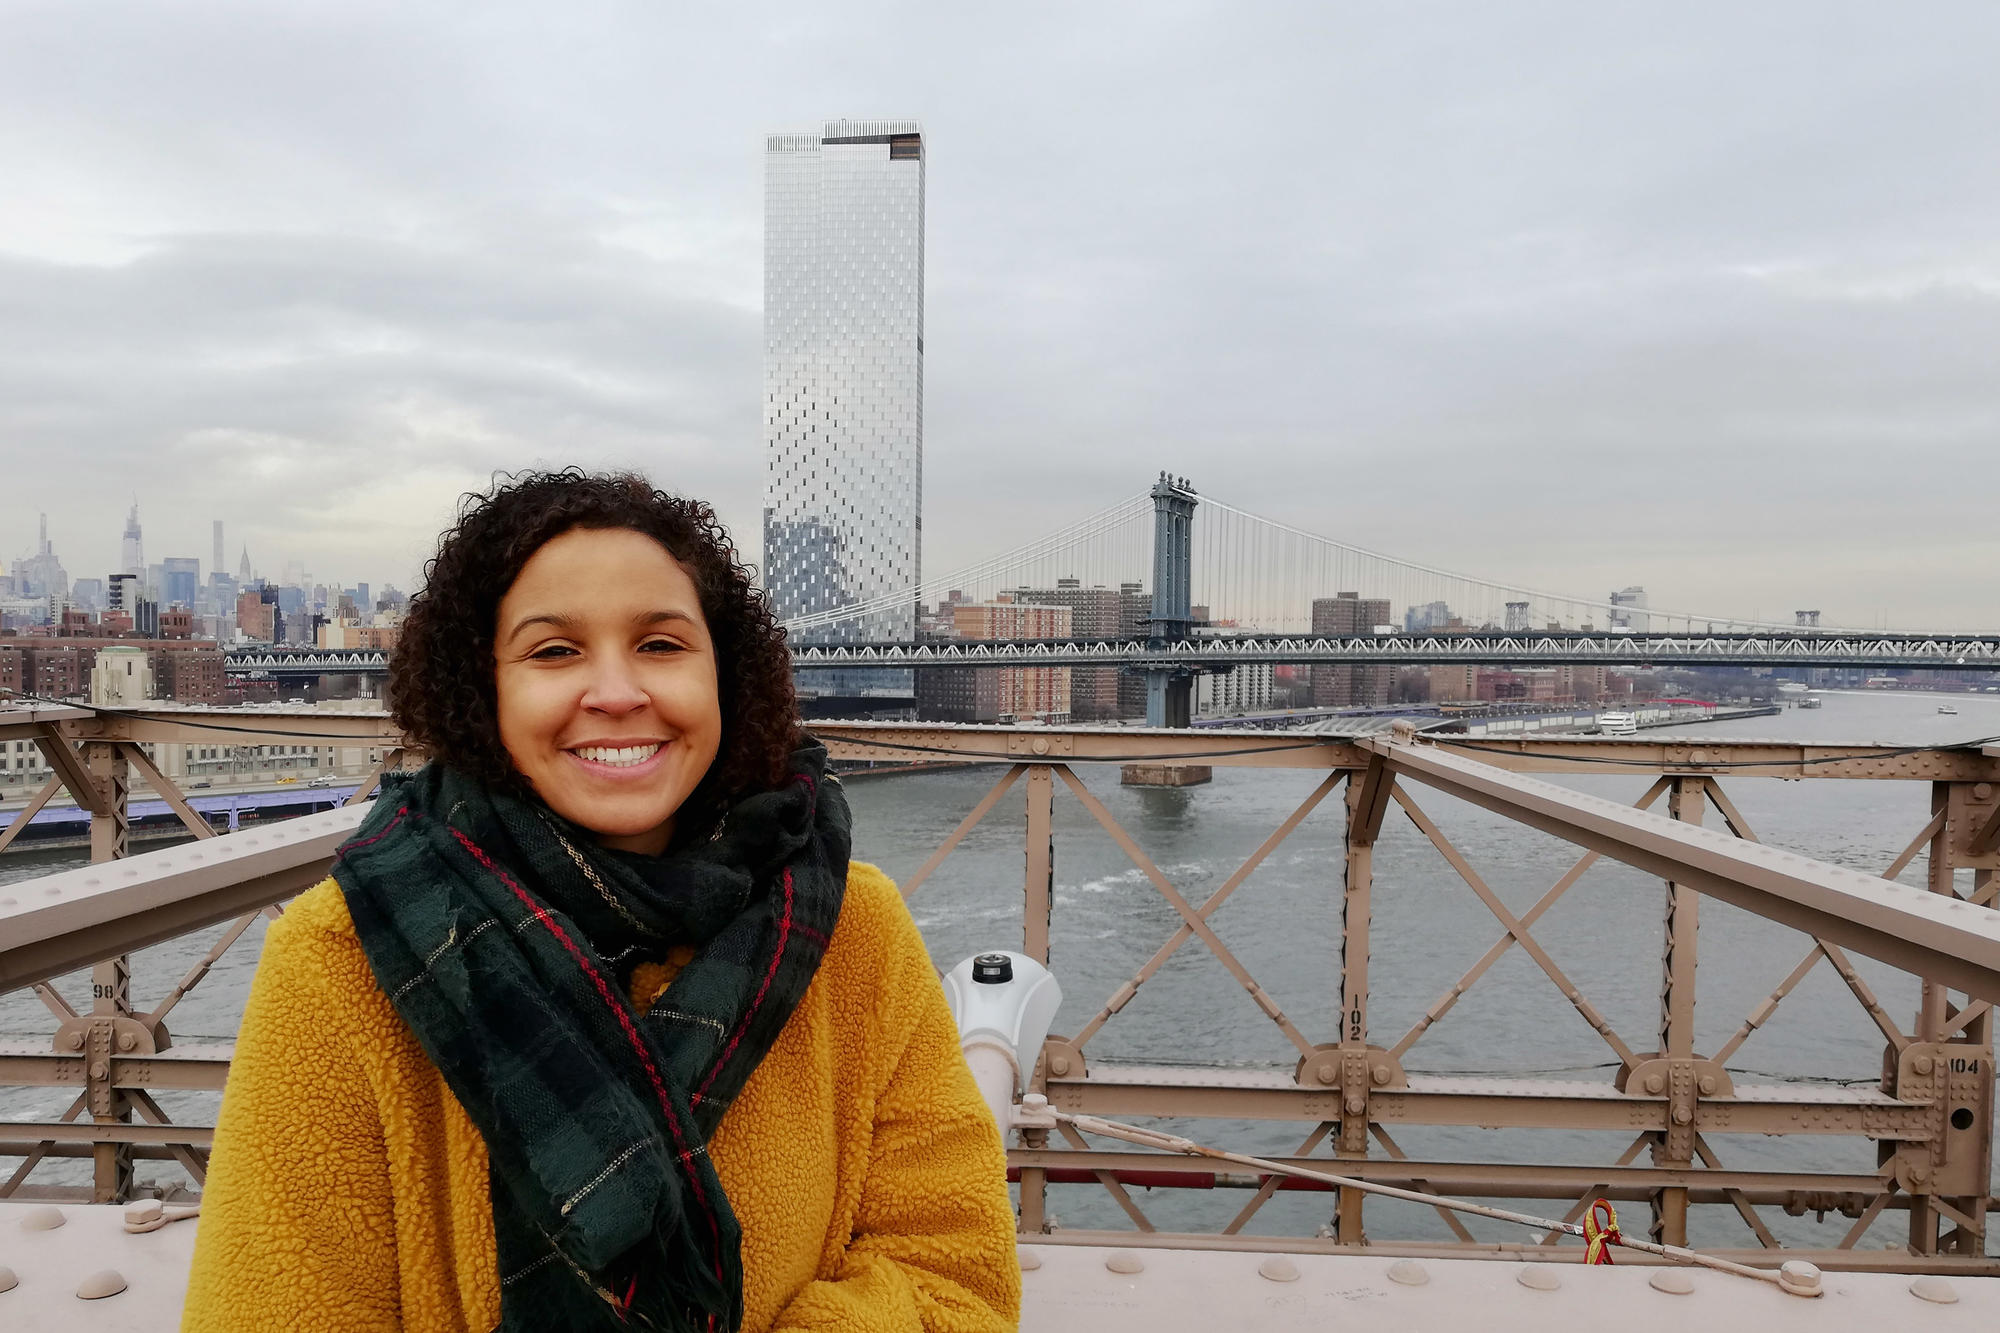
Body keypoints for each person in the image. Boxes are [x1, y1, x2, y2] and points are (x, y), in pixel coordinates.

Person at [183, 471, 1021, 1332]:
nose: (618, 692)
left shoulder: (855, 929)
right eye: (553, 651)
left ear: (724, 676)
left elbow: (957, 1280)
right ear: (485, 689)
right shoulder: (340, 963)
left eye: (661, 644)